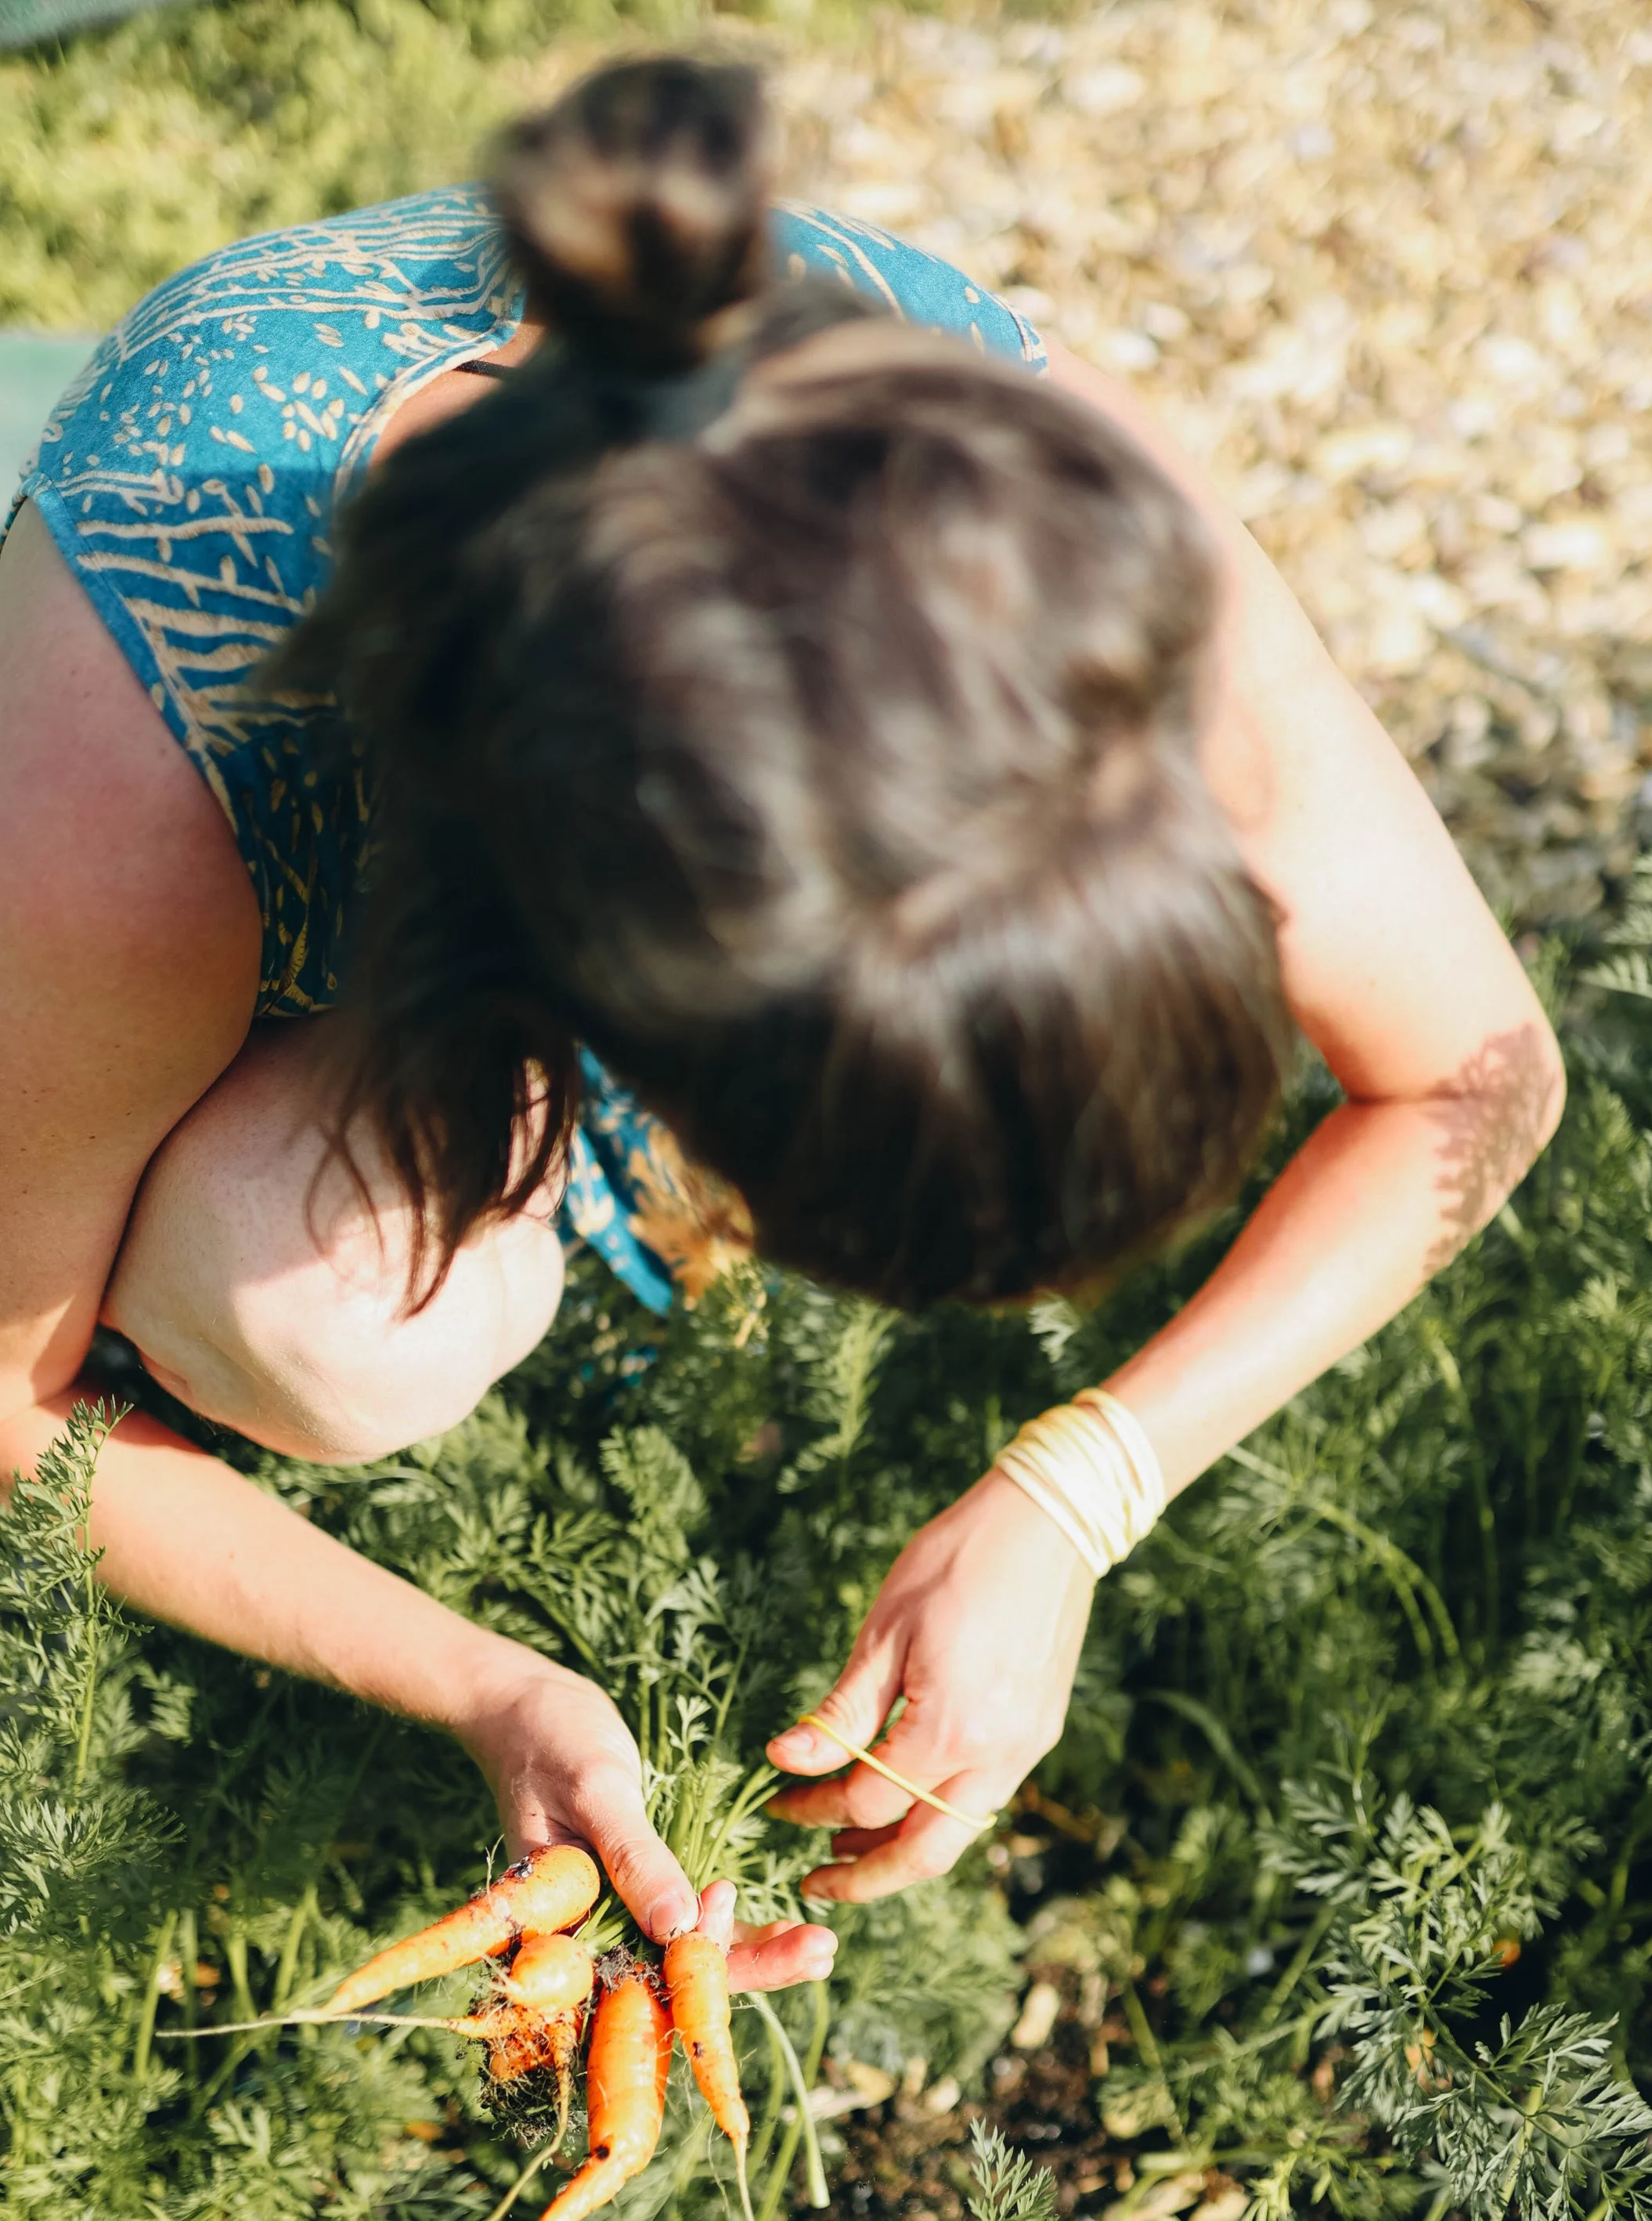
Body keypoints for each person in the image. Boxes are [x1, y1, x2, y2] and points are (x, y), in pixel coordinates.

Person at [0, 55, 1562, 1983]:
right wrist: (486, 1685)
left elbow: (1478, 1072)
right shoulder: (122, 799)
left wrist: (1075, 1493)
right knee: (330, 1309)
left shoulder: (1059, 547)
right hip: (163, 780)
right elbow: (7, 1397)